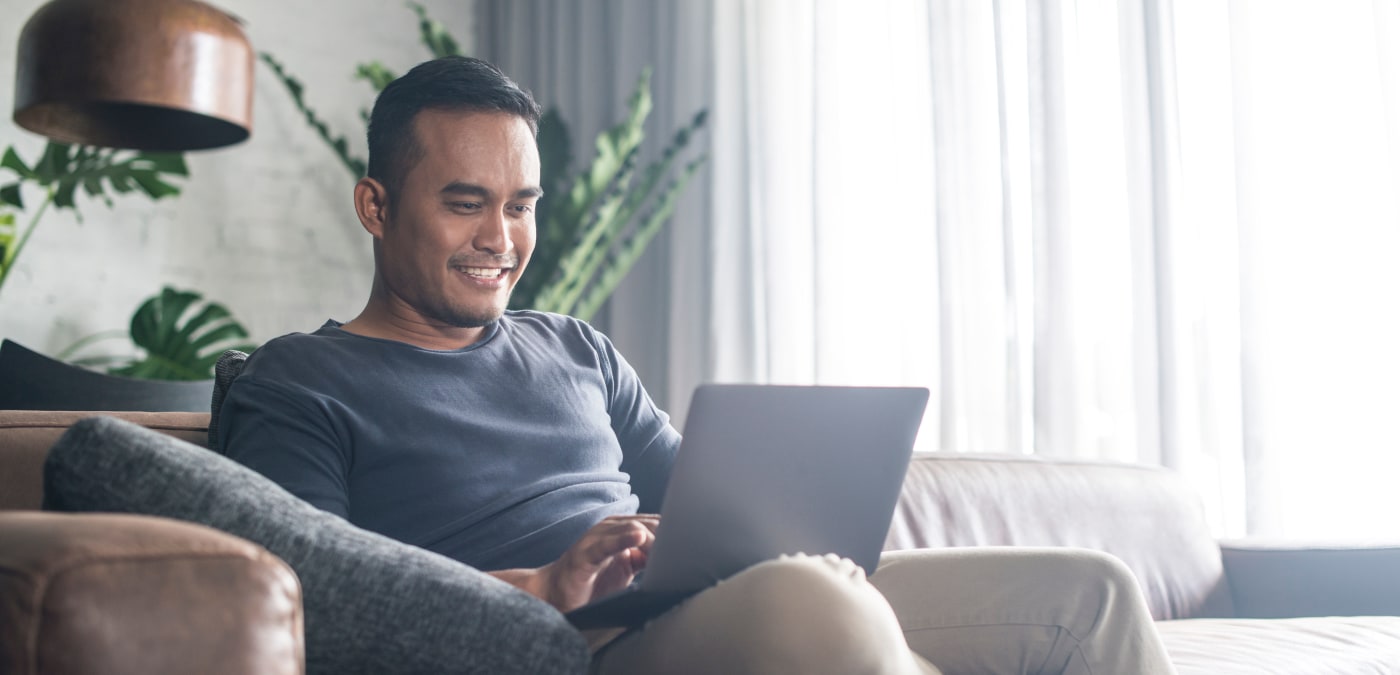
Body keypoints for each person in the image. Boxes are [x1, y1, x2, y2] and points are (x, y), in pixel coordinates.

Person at [218, 55, 1177, 674]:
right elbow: (309, 599)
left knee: (1085, 592)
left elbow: (714, 510)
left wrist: (793, 527)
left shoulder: (575, 348)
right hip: (561, 642)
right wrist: (545, 583)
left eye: (521, 204)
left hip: (707, 609)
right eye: (466, 202)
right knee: (816, 608)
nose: (501, 239)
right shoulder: (299, 381)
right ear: (376, 205)